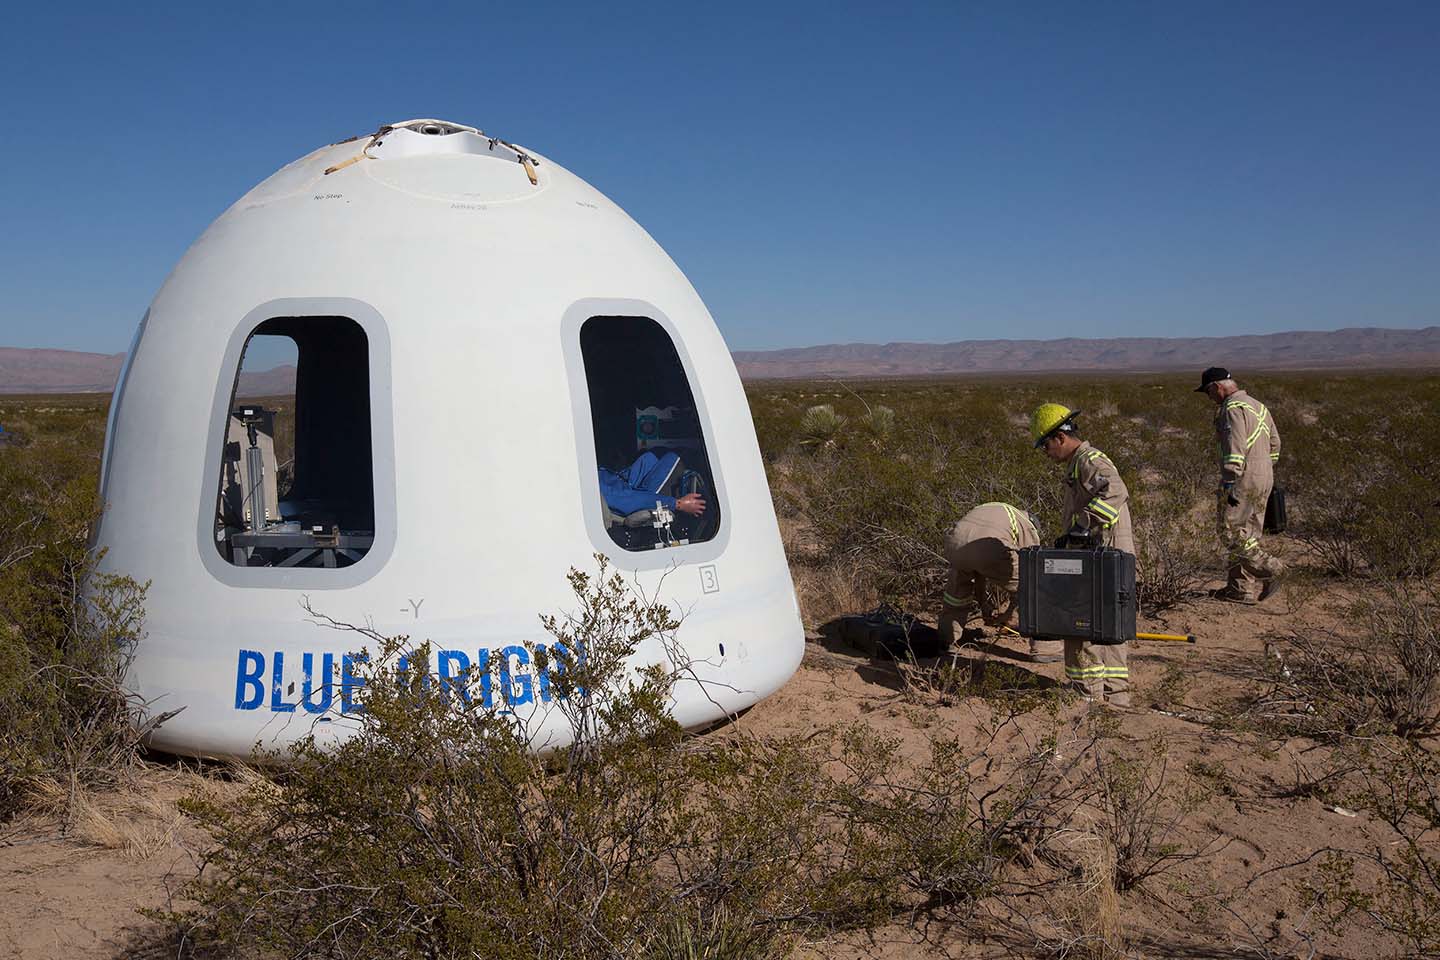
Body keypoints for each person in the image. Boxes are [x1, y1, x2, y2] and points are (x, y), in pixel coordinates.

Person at [1031, 403, 1133, 706]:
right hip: (1105, 555)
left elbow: (1116, 490)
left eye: (1045, 445)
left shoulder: (1089, 460)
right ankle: (1115, 695)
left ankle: (1085, 693)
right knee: (1108, 625)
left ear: (1060, 438)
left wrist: (1083, 526)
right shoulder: (1081, 463)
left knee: (1079, 622)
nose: (1045, 452)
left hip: (1099, 556)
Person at [1196, 367, 1284, 603]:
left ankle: (1272, 568)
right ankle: (1240, 588)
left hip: (1242, 476)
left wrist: (1229, 482)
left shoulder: (1231, 409)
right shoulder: (1259, 406)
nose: (1209, 398)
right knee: (1249, 533)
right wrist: (1263, 468)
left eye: (1207, 392)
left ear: (1217, 387)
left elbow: (1234, 449)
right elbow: (1275, 444)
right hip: (1265, 473)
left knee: (1230, 530)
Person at [937, 501, 1058, 661]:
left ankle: (948, 638)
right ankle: (1046, 649)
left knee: (957, 593)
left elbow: (978, 570)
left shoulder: (992, 508)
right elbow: (1028, 570)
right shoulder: (1026, 524)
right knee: (1035, 589)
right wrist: (1011, 615)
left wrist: (983, 605)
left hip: (955, 545)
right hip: (987, 548)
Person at [599, 449, 706, 518]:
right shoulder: (596, 489)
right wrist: (678, 504)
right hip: (635, 499)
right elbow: (627, 500)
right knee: (674, 458)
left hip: (626, 485)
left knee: (652, 456)